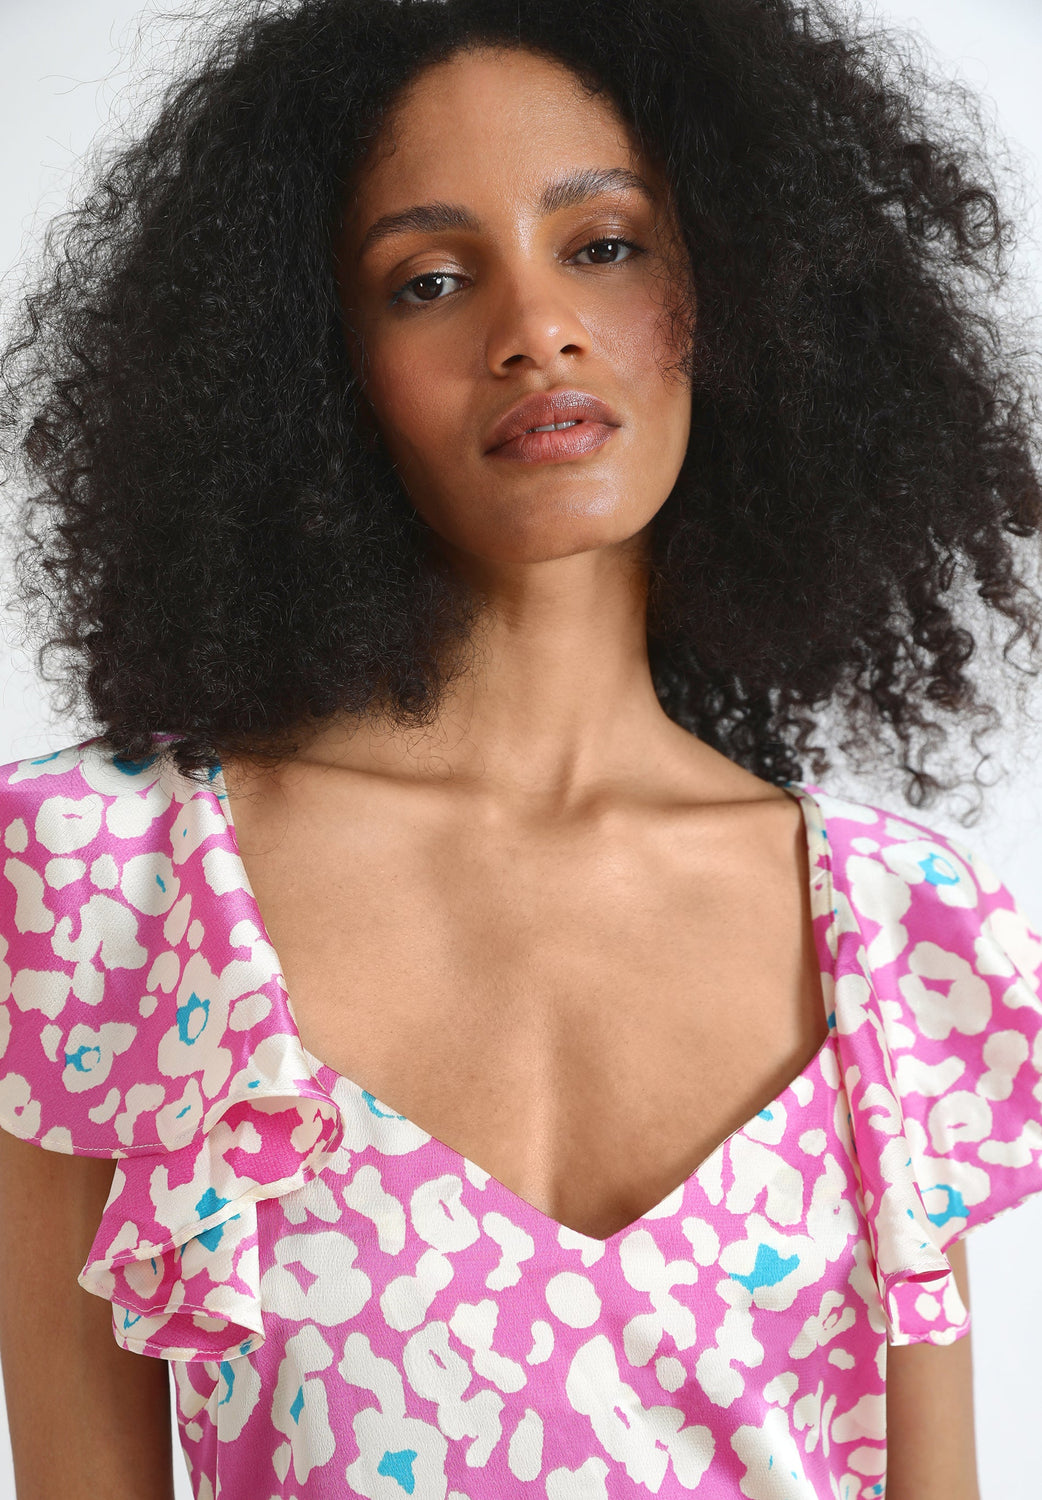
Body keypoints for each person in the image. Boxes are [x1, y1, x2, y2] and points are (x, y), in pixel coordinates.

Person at [1, 0, 1041, 1495]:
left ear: (747, 290)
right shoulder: (110, 882)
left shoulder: (896, 928)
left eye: (603, 246)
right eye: (428, 280)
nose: (533, 329)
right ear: (314, 365)